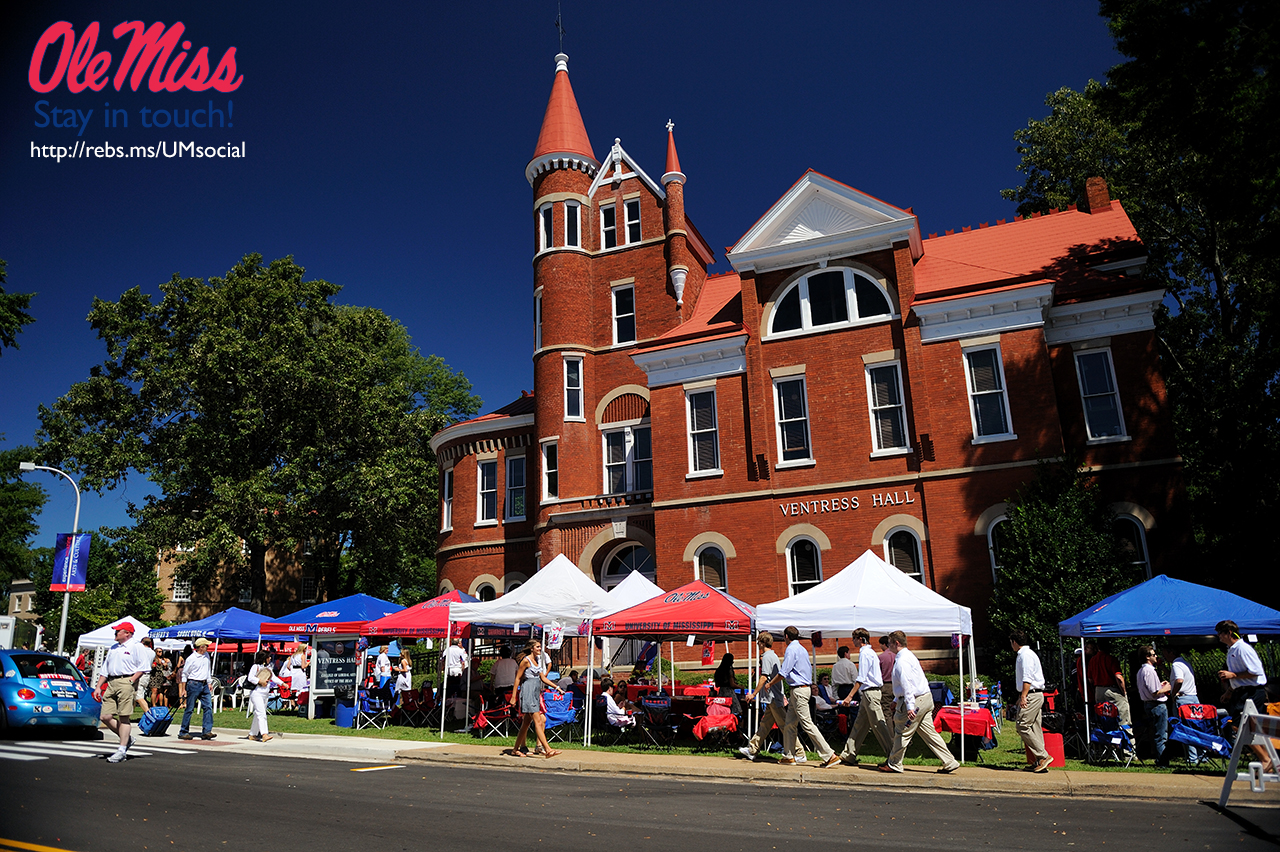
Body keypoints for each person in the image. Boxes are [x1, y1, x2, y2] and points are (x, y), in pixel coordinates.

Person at [880, 631, 960, 774]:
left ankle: (894, 763)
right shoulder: (910, 656)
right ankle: (949, 761)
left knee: (902, 731)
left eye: (890, 643)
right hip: (925, 698)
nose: (888, 646)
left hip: (914, 701)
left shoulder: (902, 661)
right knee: (929, 733)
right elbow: (913, 681)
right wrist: (895, 699)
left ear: (896, 643)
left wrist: (909, 706)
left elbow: (907, 684)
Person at [779, 626, 841, 768]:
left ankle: (829, 754)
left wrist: (770, 683)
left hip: (799, 690)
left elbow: (784, 671)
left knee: (807, 724)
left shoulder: (791, 649)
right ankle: (789, 755)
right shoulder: (802, 649)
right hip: (801, 689)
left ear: (786, 636)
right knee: (789, 724)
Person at [1217, 619, 1272, 772]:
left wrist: (1232, 675)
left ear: (1229, 633)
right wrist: (1229, 691)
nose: (1219, 637)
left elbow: (1255, 671)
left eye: (1220, 633)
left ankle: (1266, 758)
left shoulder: (1243, 649)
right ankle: (1267, 758)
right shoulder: (1232, 649)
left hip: (1252, 692)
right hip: (1241, 692)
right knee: (1246, 727)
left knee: (1242, 726)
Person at [837, 628, 892, 765]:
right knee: (859, 725)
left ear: (860, 639)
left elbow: (861, 677)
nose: (853, 641)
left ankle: (893, 755)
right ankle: (849, 754)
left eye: (854, 638)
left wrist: (850, 696)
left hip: (870, 693)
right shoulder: (870, 652)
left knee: (879, 725)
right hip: (869, 693)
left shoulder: (865, 653)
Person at [94, 622, 147, 764]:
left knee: (124, 716)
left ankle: (122, 749)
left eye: (118, 631)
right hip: (111, 681)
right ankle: (127, 738)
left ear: (127, 633)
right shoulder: (113, 648)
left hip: (126, 680)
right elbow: (105, 669)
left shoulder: (136, 646)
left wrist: (132, 680)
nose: (115, 633)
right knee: (105, 716)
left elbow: (143, 666)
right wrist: (99, 686)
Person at [507, 639, 562, 759]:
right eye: (537, 647)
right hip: (528, 693)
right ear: (531, 648)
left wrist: (557, 687)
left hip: (535, 693)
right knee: (538, 721)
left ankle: (515, 750)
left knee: (526, 723)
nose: (539, 649)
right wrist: (513, 697)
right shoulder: (525, 661)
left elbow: (543, 678)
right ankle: (548, 749)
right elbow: (517, 679)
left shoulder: (537, 661)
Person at [739, 631, 787, 762]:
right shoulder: (774, 655)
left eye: (759, 641)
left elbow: (764, 677)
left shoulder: (766, 657)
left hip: (772, 697)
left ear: (763, 643)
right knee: (765, 725)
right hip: (773, 697)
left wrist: (753, 694)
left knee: (785, 726)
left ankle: (798, 752)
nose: (758, 644)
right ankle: (752, 749)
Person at [1010, 630, 1052, 773]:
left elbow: (1027, 678)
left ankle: (1043, 755)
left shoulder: (1025, 656)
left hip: (1032, 695)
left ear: (1014, 642)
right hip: (1035, 694)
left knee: (1022, 725)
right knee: (1034, 727)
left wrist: (1023, 696)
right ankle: (1039, 760)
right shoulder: (1028, 654)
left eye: (1011, 642)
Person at [1085, 639, 1132, 735]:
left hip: (1098, 691)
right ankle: (1126, 745)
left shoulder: (1092, 660)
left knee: (1105, 718)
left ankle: (1108, 742)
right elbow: (1118, 677)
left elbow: (1090, 679)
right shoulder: (1111, 659)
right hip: (1112, 690)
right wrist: (1124, 692)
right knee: (1122, 717)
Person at [1135, 645, 1171, 766]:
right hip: (1156, 705)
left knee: (1156, 732)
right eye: (1153, 654)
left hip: (1149, 703)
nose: (1156, 657)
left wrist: (1160, 685)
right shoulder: (1149, 671)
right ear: (1147, 657)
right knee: (1161, 734)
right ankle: (1162, 761)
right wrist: (1165, 688)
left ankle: (1160, 758)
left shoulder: (1141, 671)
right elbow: (1154, 692)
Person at [177, 637, 218, 741]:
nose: (208, 648)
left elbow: (207, 670)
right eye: (206, 646)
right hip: (193, 683)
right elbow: (185, 674)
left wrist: (209, 682)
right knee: (190, 708)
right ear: (201, 647)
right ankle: (184, 731)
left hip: (204, 684)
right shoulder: (191, 658)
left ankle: (207, 731)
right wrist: (184, 688)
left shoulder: (206, 656)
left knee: (208, 707)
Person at [1169, 646, 1202, 765]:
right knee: (1196, 727)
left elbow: (1179, 680)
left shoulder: (1176, 664)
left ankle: (1192, 758)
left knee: (1185, 728)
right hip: (1194, 697)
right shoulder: (1185, 663)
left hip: (1183, 699)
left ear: (1171, 652)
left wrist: (1173, 694)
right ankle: (1201, 754)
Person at [247, 649, 285, 742]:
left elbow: (273, 677)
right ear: (264, 658)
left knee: (258, 713)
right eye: (268, 657)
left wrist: (282, 683)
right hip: (256, 693)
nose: (270, 658)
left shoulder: (268, 668)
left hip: (265, 693)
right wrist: (260, 681)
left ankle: (252, 734)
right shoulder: (255, 667)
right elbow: (250, 677)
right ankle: (264, 734)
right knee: (262, 714)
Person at [878, 635, 897, 731]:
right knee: (899, 711)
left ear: (884, 644)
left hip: (886, 685)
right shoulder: (897, 655)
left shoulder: (881, 657)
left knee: (887, 712)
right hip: (897, 685)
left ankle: (891, 737)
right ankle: (902, 735)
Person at [134, 636, 156, 715]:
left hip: (140, 674)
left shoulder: (141, 651)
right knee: (134, 696)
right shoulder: (152, 652)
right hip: (147, 675)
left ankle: (149, 714)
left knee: (139, 697)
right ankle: (127, 716)